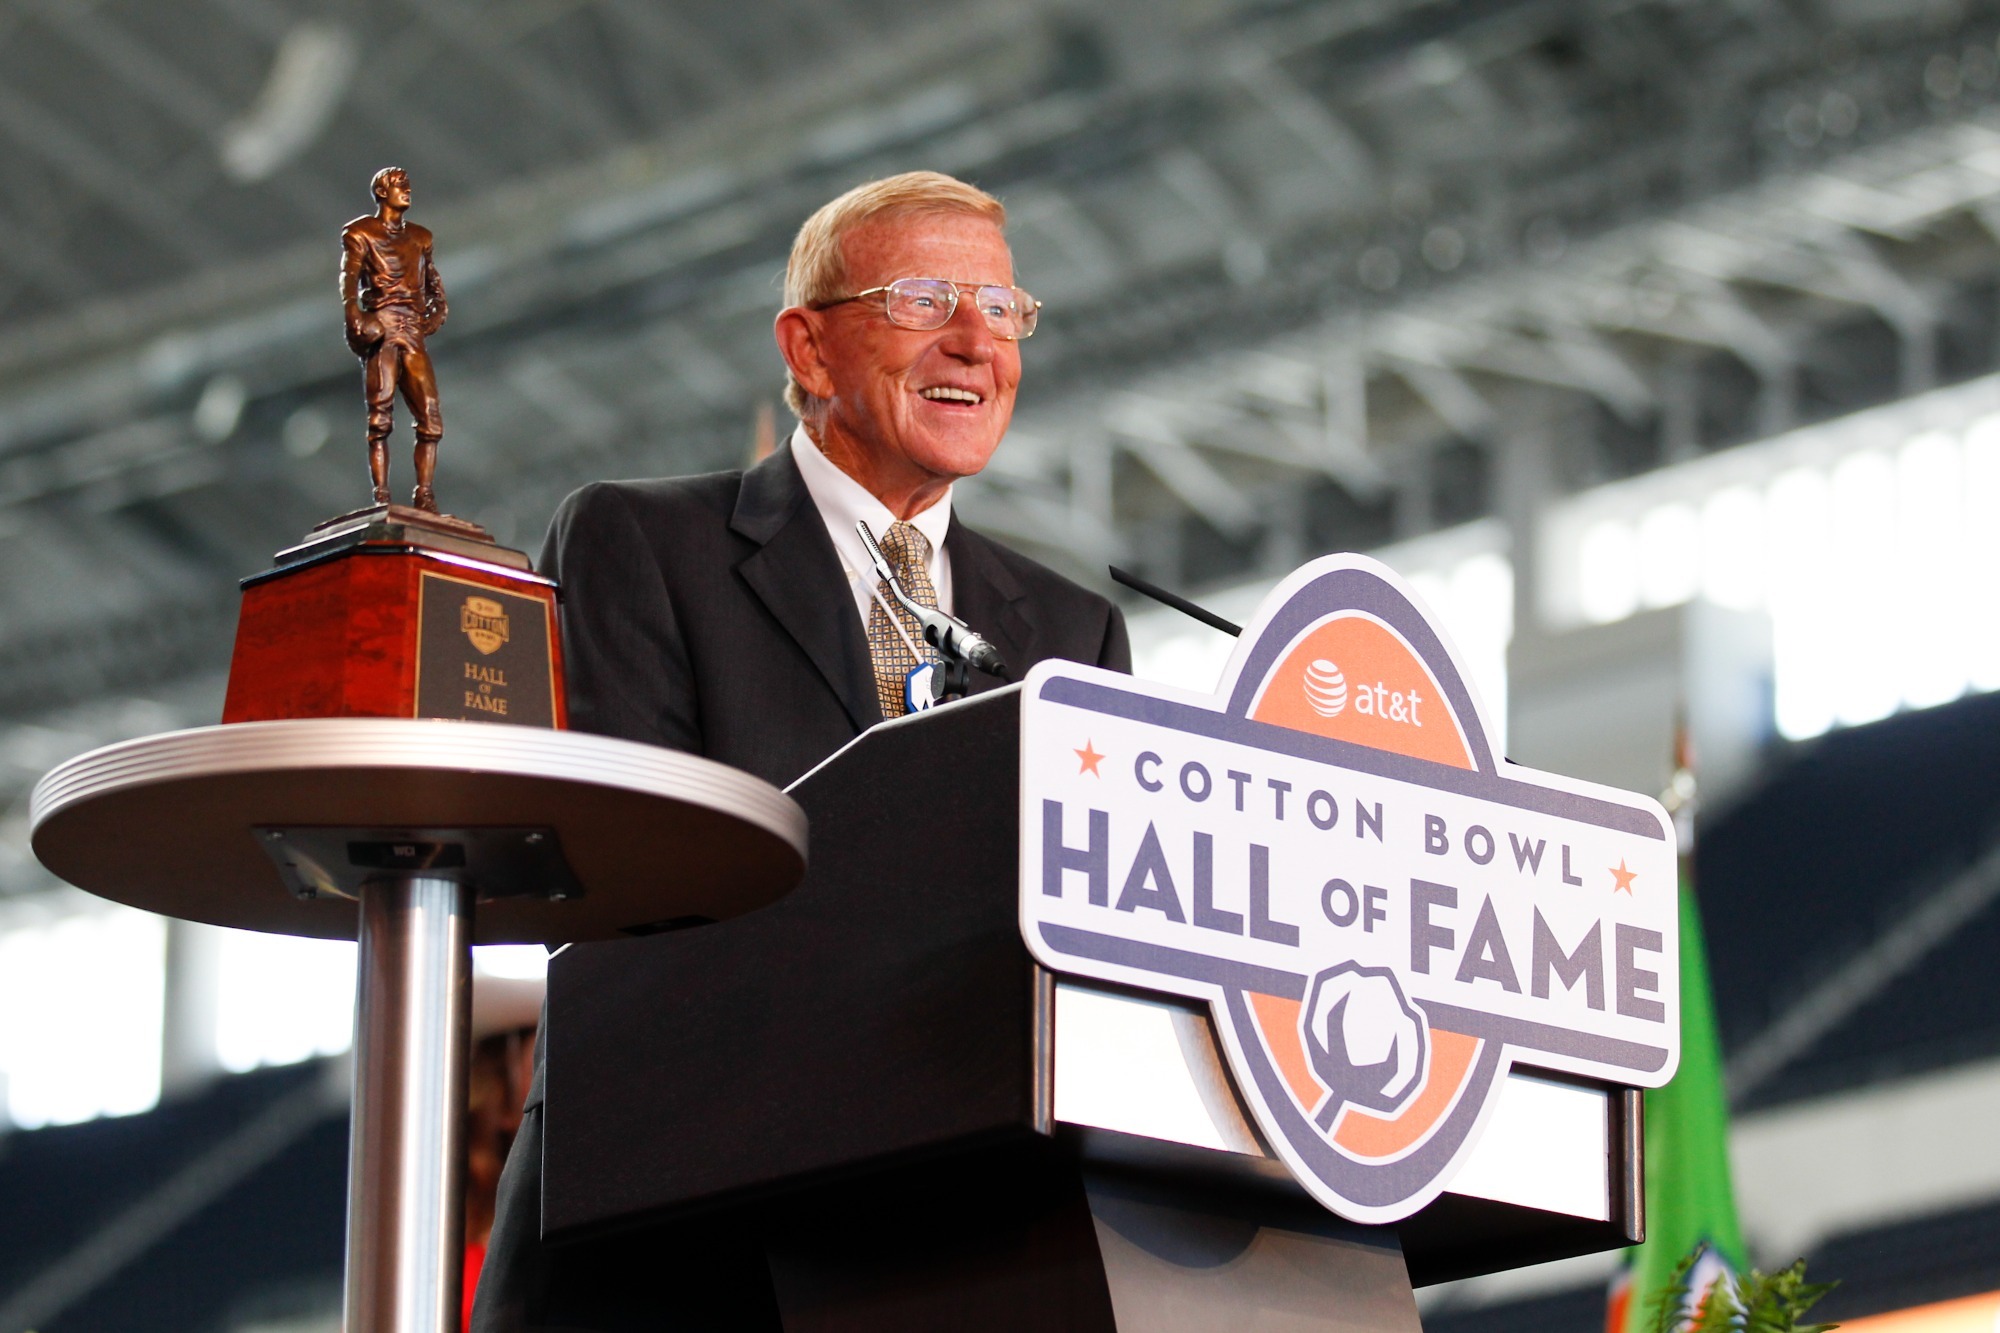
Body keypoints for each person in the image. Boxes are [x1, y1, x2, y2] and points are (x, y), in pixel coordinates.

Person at [471, 172, 1129, 1331]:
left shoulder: (1071, 632)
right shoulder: (640, 542)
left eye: (1003, 306)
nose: (976, 340)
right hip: (675, 1234)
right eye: (925, 299)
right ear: (809, 349)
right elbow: (635, 890)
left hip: (962, 1246)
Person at [341, 166, 449, 512]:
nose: (407, 191)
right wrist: (355, 316)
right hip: (383, 326)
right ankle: (382, 496)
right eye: (401, 186)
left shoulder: (421, 237)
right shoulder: (360, 233)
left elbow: (434, 284)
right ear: (383, 192)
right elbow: (349, 279)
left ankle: (424, 494)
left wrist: (435, 314)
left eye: (408, 186)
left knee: (430, 416)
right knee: (380, 416)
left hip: (412, 328)